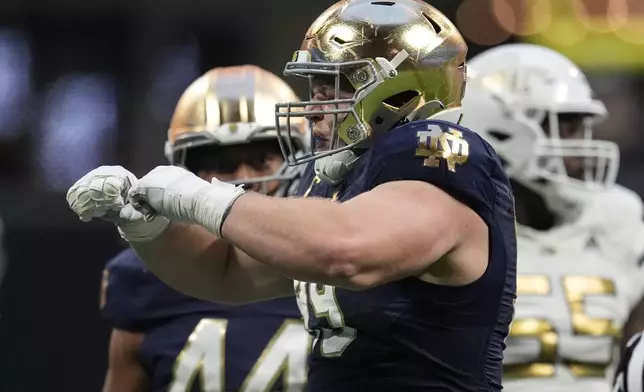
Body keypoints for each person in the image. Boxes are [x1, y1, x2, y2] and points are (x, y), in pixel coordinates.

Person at [67, 1, 517, 390]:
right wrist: (146, 225)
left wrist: (203, 198)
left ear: (401, 89)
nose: (316, 107)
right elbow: (222, 272)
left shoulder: (439, 151)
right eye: (315, 88)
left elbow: (349, 251)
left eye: (335, 87)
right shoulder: (346, 178)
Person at [99, 65, 311, 392]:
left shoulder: (329, 254)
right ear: (183, 171)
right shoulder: (143, 277)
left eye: (261, 159)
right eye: (221, 164)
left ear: (299, 157)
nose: (243, 177)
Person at [460, 43, 644, 392]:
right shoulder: (455, 224)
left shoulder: (618, 217)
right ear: (500, 130)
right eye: (567, 126)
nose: (581, 144)